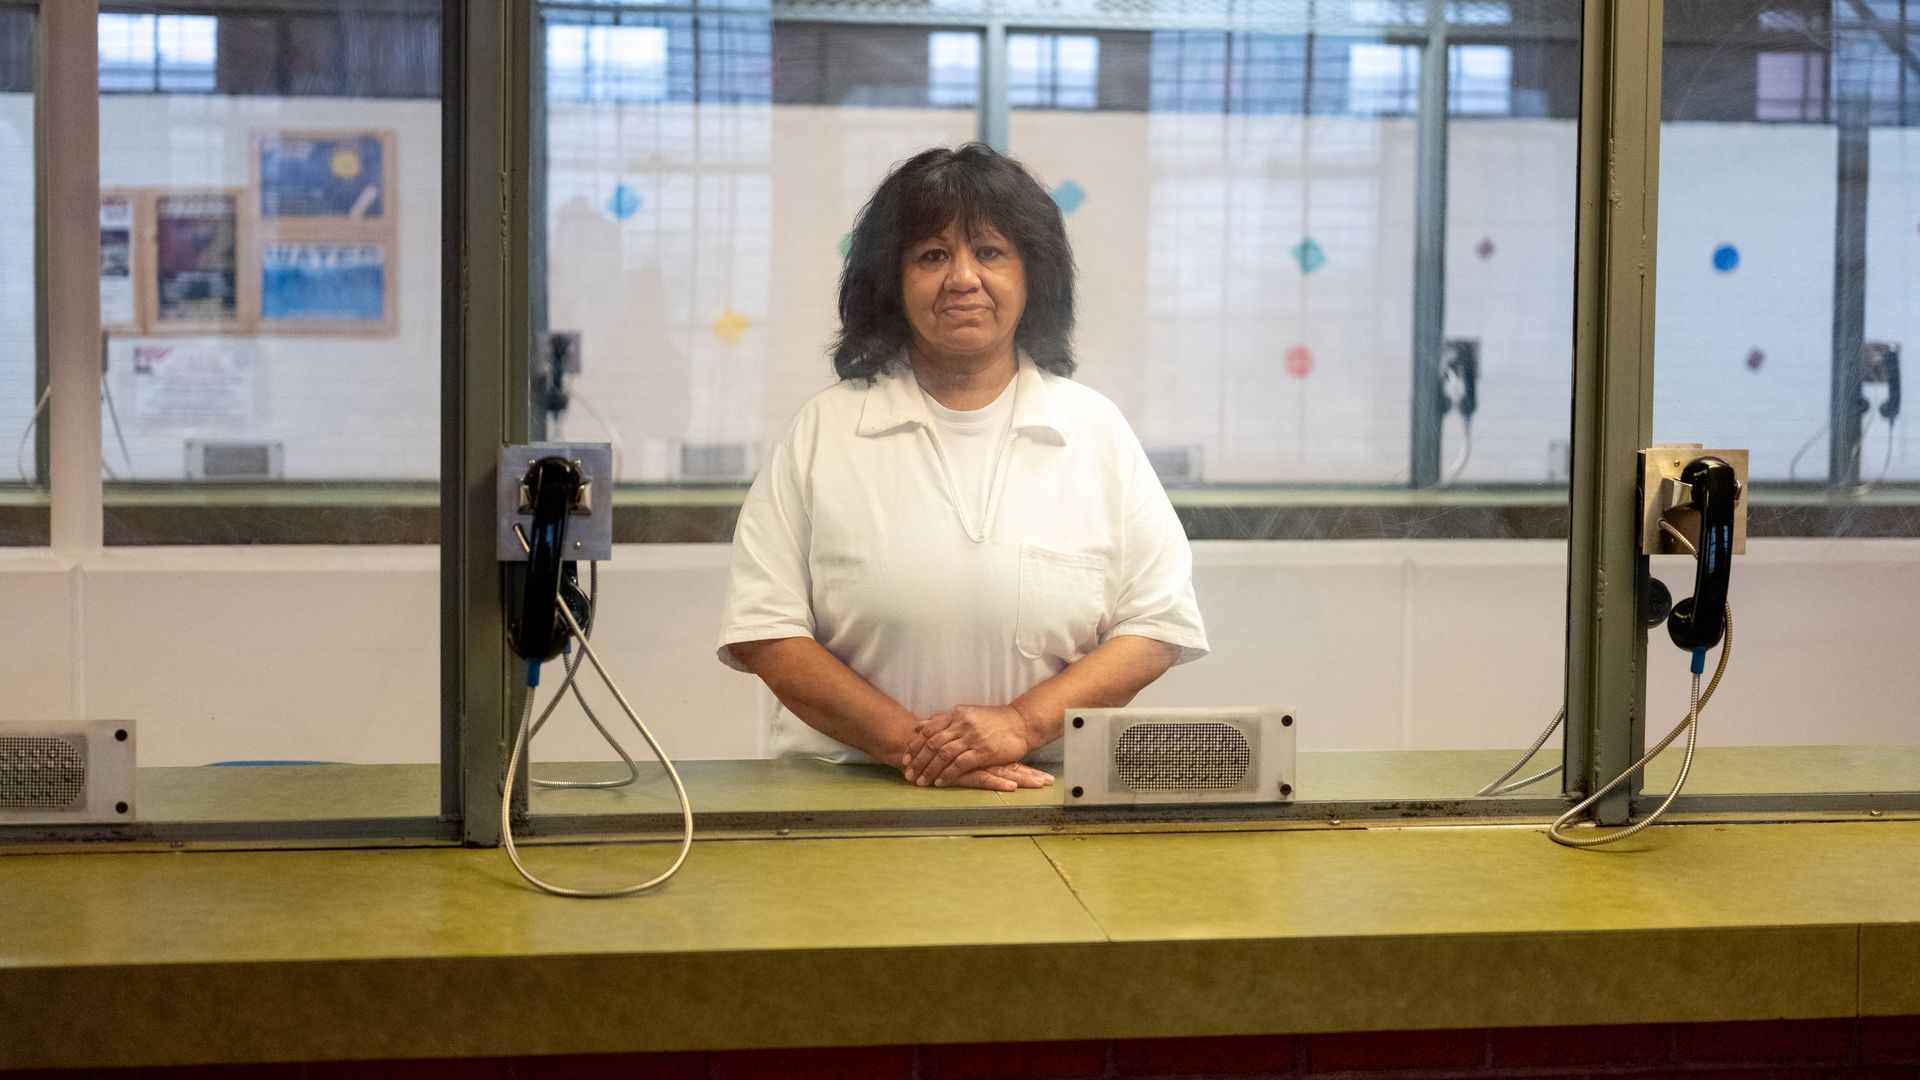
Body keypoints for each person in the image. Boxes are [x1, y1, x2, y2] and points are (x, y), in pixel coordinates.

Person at [717, 143, 1207, 792]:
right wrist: (922, 750)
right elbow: (765, 631)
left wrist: (1022, 724)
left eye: (991, 252)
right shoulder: (823, 432)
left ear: (1034, 276)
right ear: (891, 282)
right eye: (932, 255)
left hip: (1043, 792)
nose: (963, 278)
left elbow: (1156, 625)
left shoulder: (1094, 431)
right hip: (845, 795)